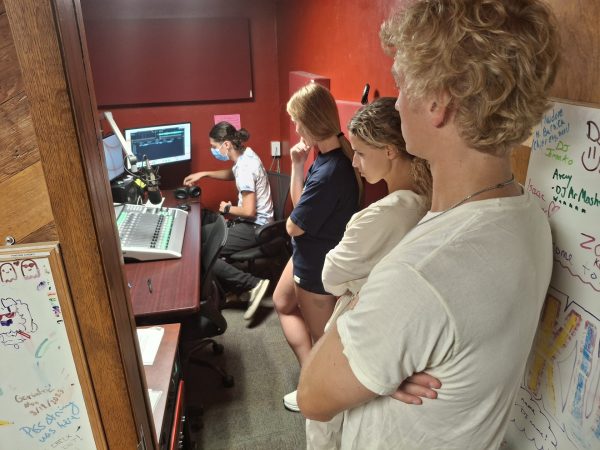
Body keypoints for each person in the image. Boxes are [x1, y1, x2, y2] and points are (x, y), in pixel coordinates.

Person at [298, 0, 560, 448]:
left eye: (401, 85)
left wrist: (368, 327)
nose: (397, 101)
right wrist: (383, 360)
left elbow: (312, 396)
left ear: (438, 102)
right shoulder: (528, 216)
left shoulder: (419, 275)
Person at [306, 97, 435, 449]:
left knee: (325, 420)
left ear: (391, 150)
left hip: (360, 320)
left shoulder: (382, 214)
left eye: (361, 152)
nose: (356, 163)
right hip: (399, 329)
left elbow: (331, 278)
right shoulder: (432, 201)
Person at [273, 82, 362, 412]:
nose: (295, 129)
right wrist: (297, 166)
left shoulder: (331, 171)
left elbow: (293, 224)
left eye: (297, 122)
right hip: (306, 252)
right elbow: (300, 210)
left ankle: (315, 393)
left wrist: (294, 220)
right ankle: (310, 379)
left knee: (321, 340)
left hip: (316, 268)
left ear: (310, 123)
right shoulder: (325, 157)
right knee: (281, 302)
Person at [183, 121, 273, 321]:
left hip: (256, 226)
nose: (214, 151)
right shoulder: (246, 155)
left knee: (204, 254)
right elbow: (233, 173)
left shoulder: (245, 168)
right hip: (258, 222)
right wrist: (204, 173)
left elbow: (249, 210)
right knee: (203, 239)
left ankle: (253, 284)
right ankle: (233, 291)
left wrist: (227, 208)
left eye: (215, 147)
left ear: (226, 145)